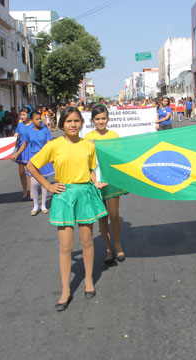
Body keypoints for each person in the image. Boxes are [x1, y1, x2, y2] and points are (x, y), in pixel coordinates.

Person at [26, 107, 108, 311]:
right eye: (69, 121)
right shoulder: (54, 145)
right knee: (66, 245)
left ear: (81, 124)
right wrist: (48, 185)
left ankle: (88, 280)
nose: (73, 124)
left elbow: (90, 170)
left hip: (85, 194)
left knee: (87, 240)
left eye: (77, 121)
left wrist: (96, 181)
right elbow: (31, 165)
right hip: (63, 196)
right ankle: (65, 290)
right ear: (62, 124)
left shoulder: (89, 146)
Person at [84, 105, 128, 264]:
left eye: (103, 118)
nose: (101, 121)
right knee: (102, 217)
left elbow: (118, 156)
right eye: (97, 119)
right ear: (93, 121)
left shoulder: (114, 135)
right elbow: (85, 161)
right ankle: (109, 249)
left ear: (108, 119)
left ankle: (118, 245)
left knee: (114, 214)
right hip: (95, 180)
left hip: (111, 179)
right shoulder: (87, 137)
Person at [12, 111, 54, 215]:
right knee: (34, 183)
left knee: (44, 182)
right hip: (33, 159)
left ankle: (43, 205)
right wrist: (16, 154)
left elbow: (49, 144)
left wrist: (48, 156)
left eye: (40, 118)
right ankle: (35, 205)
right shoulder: (29, 131)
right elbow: (24, 144)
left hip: (43, 158)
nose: (39, 120)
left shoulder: (45, 130)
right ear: (32, 120)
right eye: (37, 119)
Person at [14, 108, 33, 200]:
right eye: (21, 115)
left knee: (29, 172)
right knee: (21, 172)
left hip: (30, 148)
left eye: (24, 115)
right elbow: (16, 135)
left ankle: (32, 193)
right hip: (21, 149)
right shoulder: (20, 125)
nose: (22, 117)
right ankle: (25, 191)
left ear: (28, 115)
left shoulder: (33, 124)